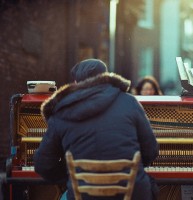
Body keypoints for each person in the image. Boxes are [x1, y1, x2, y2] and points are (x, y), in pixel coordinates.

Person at [33, 58, 159, 200]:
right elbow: (151, 151)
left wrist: (72, 174)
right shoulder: (130, 102)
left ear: (75, 83)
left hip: (84, 195)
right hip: (132, 194)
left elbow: (43, 164)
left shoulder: (62, 110)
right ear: (105, 77)